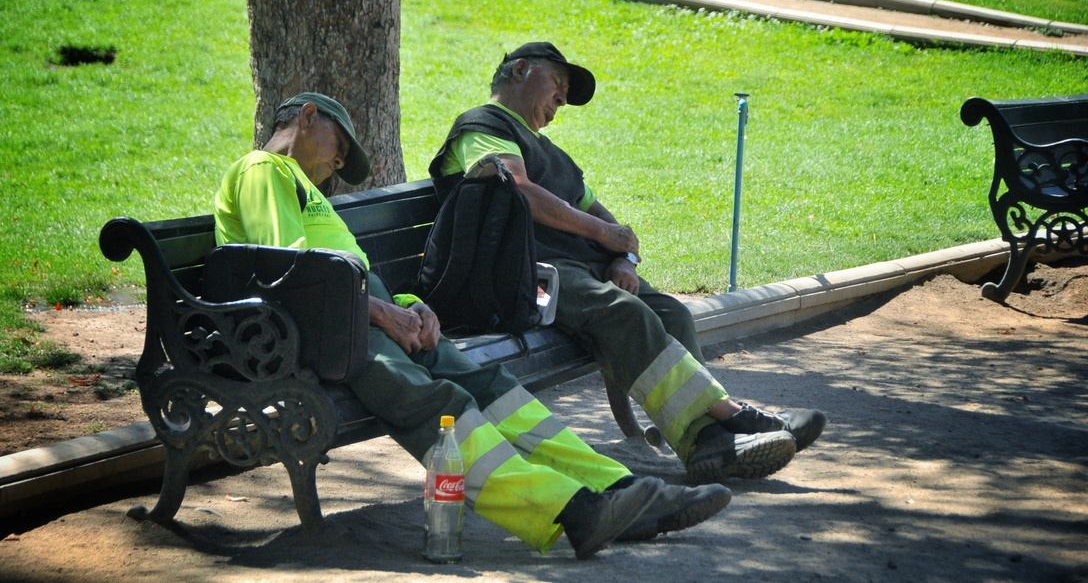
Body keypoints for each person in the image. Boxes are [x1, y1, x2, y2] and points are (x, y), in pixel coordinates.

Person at [213, 91, 732, 560]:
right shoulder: (263, 169)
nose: (338, 163)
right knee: (438, 405)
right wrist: (381, 312)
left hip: (363, 315)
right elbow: (292, 270)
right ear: (307, 117)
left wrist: (414, 306)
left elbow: (349, 269)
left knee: (493, 387)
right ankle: (567, 511)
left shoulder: (301, 184)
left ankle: (616, 488)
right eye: (340, 148)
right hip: (325, 329)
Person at [429, 43, 827, 485]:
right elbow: (517, 189)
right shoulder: (481, 127)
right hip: (526, 274)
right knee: (624, 314)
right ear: (520, 69)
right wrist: (606, 238)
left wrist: (626, 258)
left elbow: (605, 219)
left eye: (565, 95)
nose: (562, 99)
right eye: (558, 85)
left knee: (670, 311)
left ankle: (707, 437)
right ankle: (722, 425)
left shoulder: (551, 154)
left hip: (576, 269)